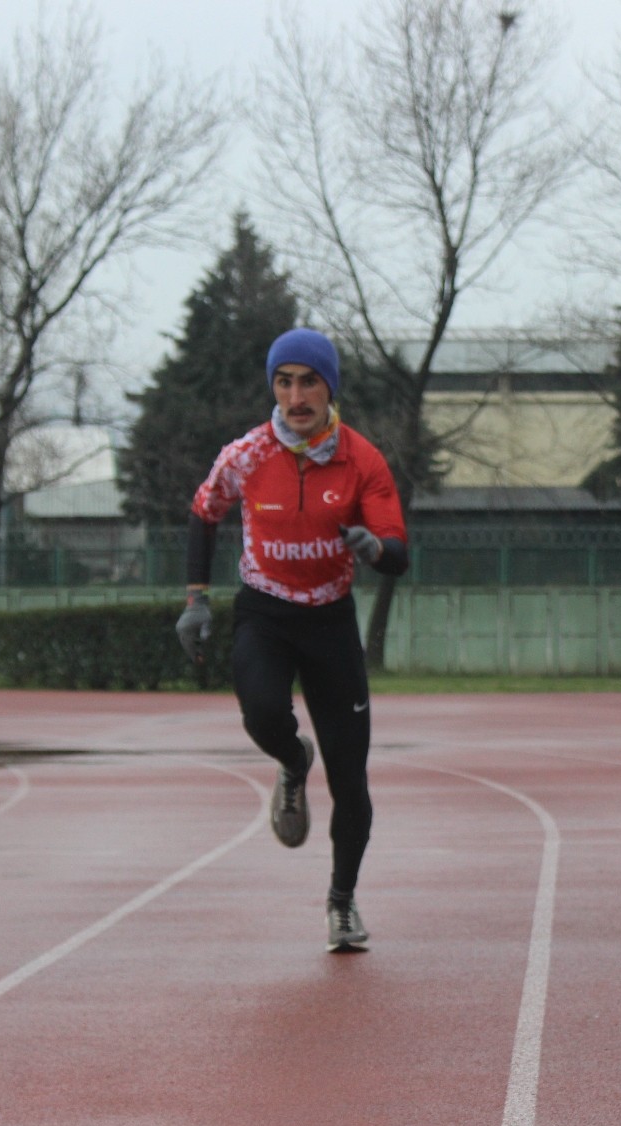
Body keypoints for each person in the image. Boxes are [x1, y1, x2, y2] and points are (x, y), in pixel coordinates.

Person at [175, 327, 409, 952]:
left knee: (352, 780)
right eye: (284, 382)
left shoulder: (362, 459)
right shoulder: (248, 454)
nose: (296, 396)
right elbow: (205, 511)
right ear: (273, 388)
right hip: (266, 614)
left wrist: (374, 546)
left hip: (330, 623)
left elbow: (398, 553)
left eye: (309, 381)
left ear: (330, 386)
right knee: (261, 713)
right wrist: (196, 598)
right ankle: (291, 759)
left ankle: (341, 901)